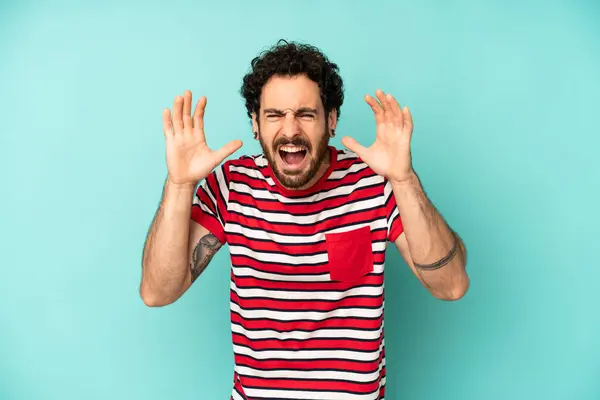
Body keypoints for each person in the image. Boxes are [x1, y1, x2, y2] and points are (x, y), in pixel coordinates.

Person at [140, 39, 469, 400]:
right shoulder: (231, 187)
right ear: (255, 124)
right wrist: (179, 183)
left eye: (306, 114)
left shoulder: (374, 183)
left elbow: (450, 285)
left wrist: (404, 181)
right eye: (274, 115)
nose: (291, 130)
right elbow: (158, 292)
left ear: (330, 120)